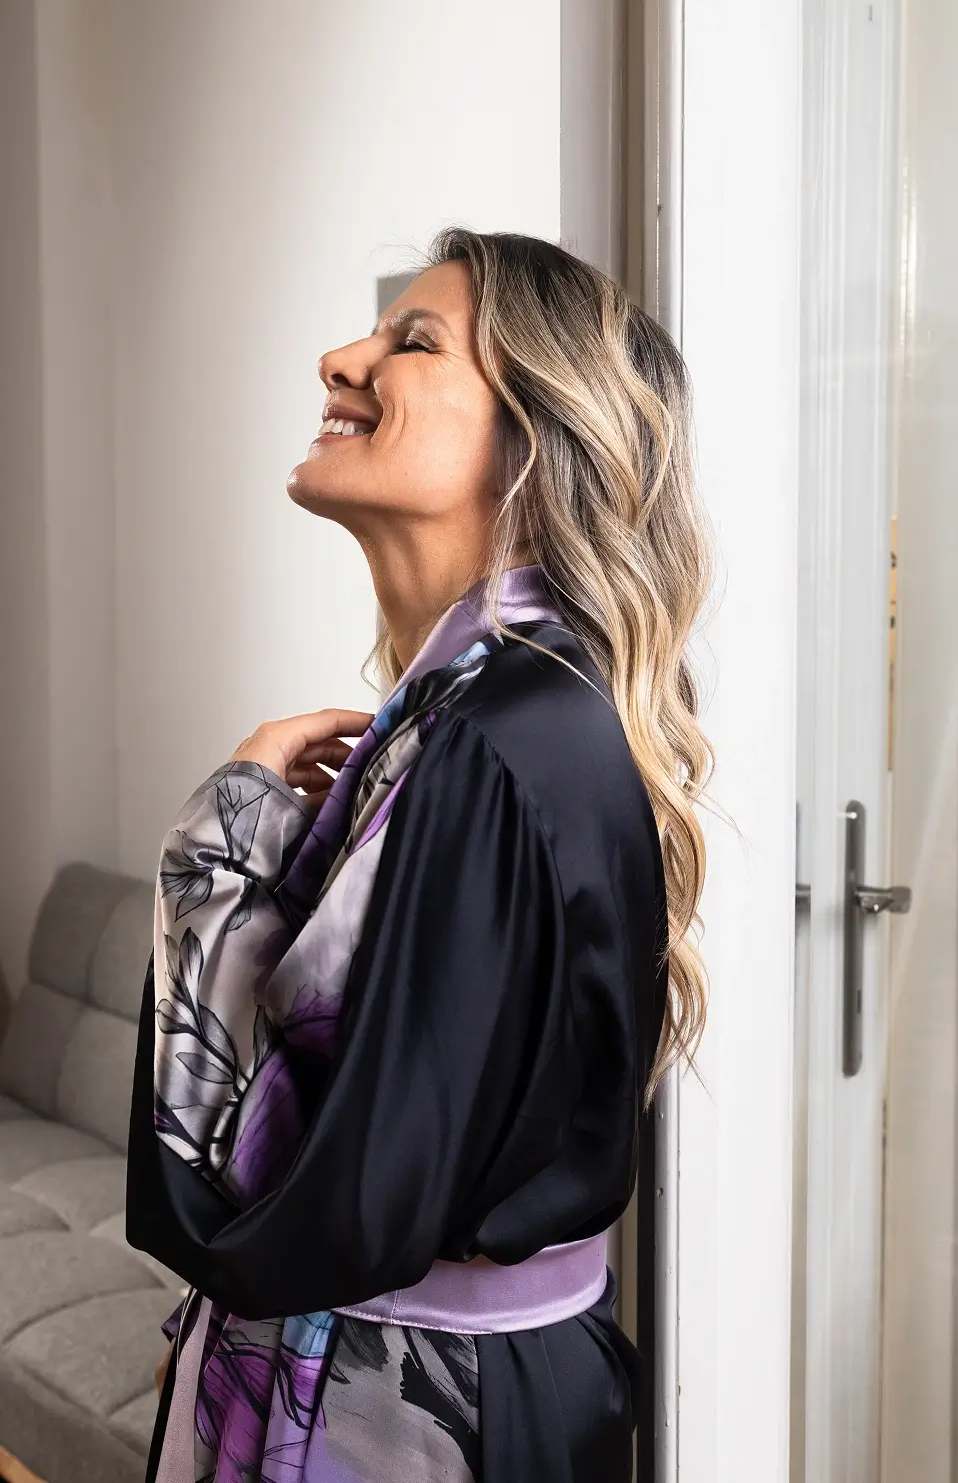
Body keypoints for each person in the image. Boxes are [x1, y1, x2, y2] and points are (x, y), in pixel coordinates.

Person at [126, 228, 713, 1483]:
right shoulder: (489, 713)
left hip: (411, 1421)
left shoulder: (502, 737)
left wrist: (222, 836)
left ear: (534, 434)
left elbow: (293, 1197)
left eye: (414, 341)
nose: (341, 359)